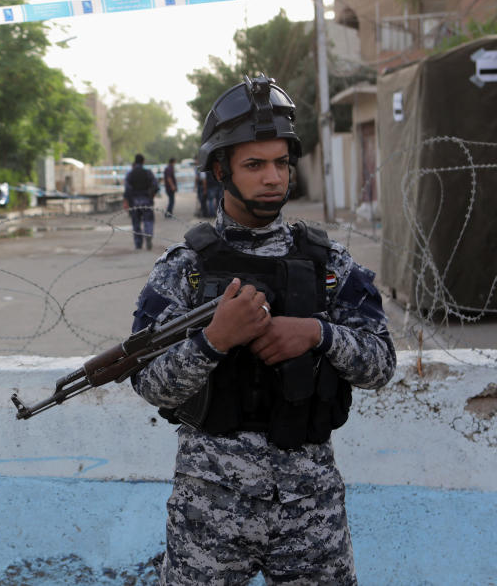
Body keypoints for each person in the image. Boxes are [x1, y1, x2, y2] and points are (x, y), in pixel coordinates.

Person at [130, 74, 396, 585]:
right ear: (220, 170)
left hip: (309, 507)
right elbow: (148, 383)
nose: (272, 178)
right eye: (254, 165)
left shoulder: (330, 263)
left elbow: (381, 364)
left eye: (280, 163)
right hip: (209, 507)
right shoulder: (183, 267)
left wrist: (319, 334)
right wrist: (213, 341)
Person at [123, 153, 158, 251]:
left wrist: (127, 201)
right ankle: (148, 237)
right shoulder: (148, 173)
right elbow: (155, 185)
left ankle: (138, 244)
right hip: (146, 200)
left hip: (134, 202)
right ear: (143, 162)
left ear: (135, 161)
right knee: (148, 221)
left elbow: (127, 189)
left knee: (136, 223)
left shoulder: (130, 174)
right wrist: (152, 195)